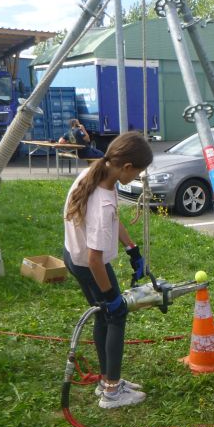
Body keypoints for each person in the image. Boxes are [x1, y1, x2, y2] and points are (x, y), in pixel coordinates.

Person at [63, 131, 152, 409]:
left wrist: (132, 248)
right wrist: (112, 297)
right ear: (127, 167)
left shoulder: (99, 174)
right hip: (88, 265)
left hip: (74, 255)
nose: (136, 178)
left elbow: (113, 220)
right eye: (137, 173)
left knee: (104, 317)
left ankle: (106, 380)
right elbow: (94, 260)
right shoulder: (101, 200)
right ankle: (112, 391)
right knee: (115, 315)